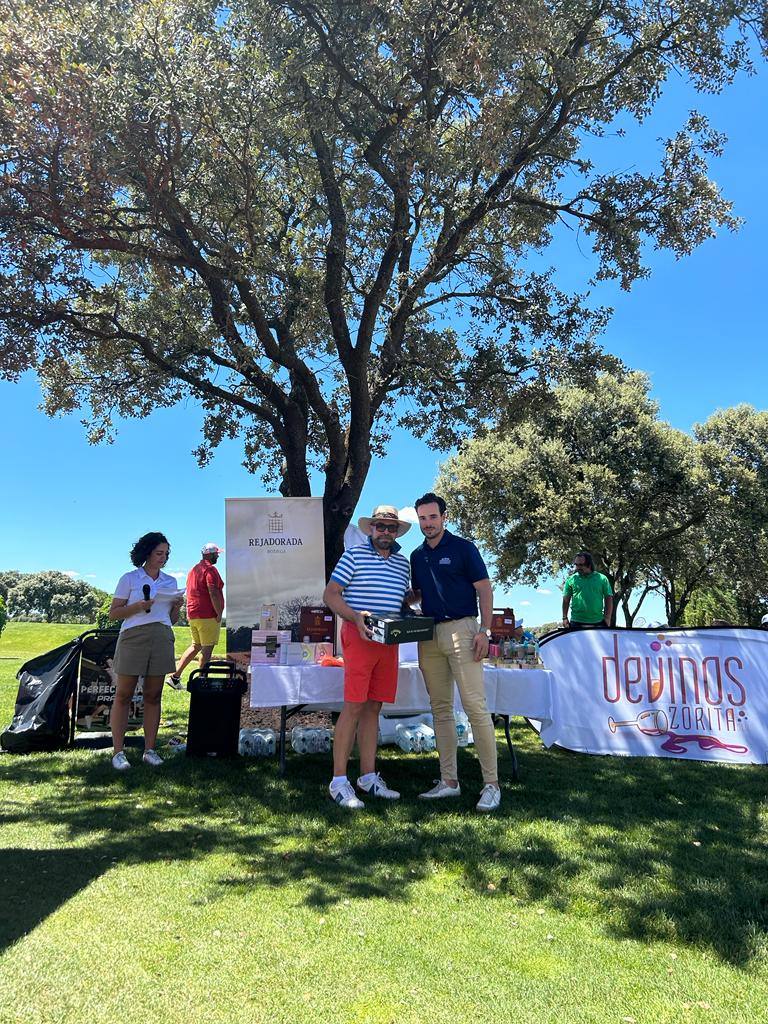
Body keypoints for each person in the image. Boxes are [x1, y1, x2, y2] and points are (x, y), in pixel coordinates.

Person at [409, 492, 501, 813]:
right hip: (428, 635)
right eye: (422, 518)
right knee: (441, 710)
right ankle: (449, 781)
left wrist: (484, 631)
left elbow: (484, 589)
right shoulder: (417, 556)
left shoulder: (464, 548)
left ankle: (492, 785)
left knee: (475, 707)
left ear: (444, 517)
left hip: (464, 629)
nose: (428, 523)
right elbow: (417, 595)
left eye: (432, 517)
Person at [322, 504, 411, 810]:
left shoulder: (403, 564)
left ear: (397, 531)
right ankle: (338, 781)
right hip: (359, 638)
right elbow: (331, 594)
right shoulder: (354, 555)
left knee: (374, 707)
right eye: (380, 526)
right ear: (371, 528)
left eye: (391, 527)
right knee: (354, 706)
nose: (385, 531)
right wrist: (355, 617)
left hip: (389, 641)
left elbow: (403, 600)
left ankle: (368, 777)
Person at [108, 532, 184, 770]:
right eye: (159, 553)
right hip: (133, 636)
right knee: (124, 695)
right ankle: (118, 752)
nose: (163, 558)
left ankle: (149, 750)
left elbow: (171, 619)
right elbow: (114, 613)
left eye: (166, 554)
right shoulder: (130, 578)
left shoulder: (170, 582)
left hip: (161, 636)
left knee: (154, 695)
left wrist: (177, 607)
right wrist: (139, 606)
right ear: (147, 552)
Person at [169, 542, 225, 687]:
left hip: (193, 614)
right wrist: (219, 612)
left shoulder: (193, 570)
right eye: (216, 554)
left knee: (196, 646)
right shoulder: (210, 570)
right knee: (207, 650)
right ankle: (202, 681)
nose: (218, 556)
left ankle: (175, 677)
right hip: (207, 615)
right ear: (210, 554)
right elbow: (213, 591)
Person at [561, 552, 613, 630]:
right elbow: (565, 600)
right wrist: (564, 618)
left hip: (598, 622)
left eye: (581, 565)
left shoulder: (602, 579)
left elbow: (608, 599)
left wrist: (607, 618)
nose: (577, 567)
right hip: (576, 622)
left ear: (589, 564)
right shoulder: (570, 580)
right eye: (576, 565)